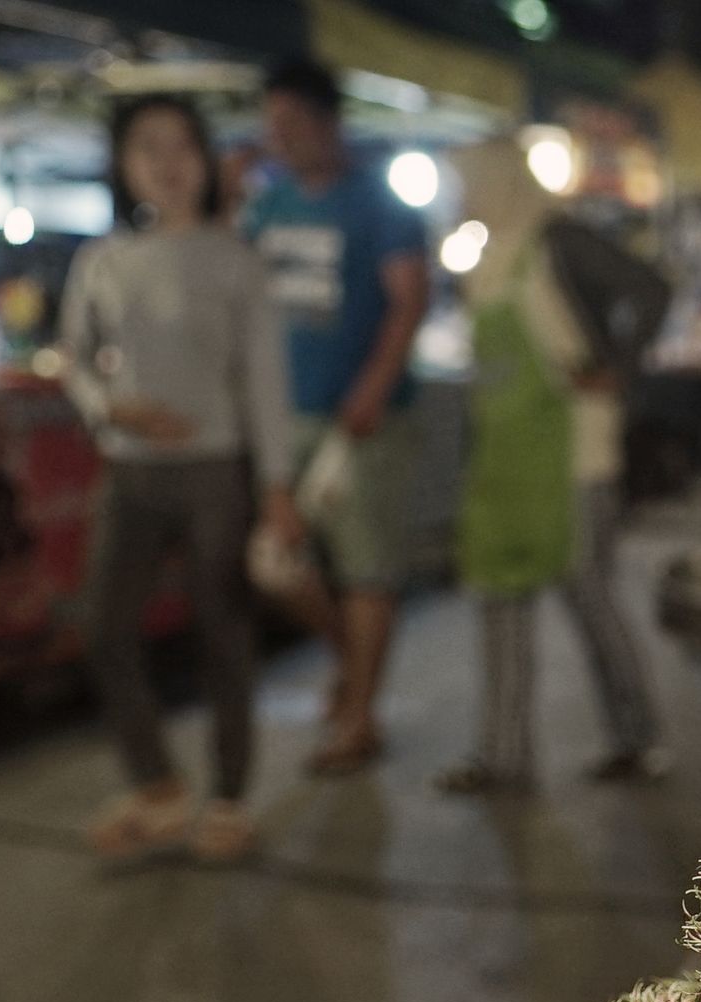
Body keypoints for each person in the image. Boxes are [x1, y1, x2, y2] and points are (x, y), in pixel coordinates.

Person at [58, 96, 301, 860]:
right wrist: (111, 407)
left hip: (214, 470)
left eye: (181, 145)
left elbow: (264, 381)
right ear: (123, 165)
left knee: (223, 635)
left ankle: (228, 795)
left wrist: (278, 489)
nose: (166, 163)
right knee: (104, 628)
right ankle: (157, 786)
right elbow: (72, 359)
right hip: (128, 470)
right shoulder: (102, 261)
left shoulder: (236, 260)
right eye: (147, 147)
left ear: (206, 158)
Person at [435, 139, 662, 792]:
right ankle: (503, 756)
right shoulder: (483, 255)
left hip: (576, 455)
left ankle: (637, 739)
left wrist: (617, 367)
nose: (464, 197)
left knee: (589, 596)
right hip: (504, 461)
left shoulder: (562, 239)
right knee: (499, 599)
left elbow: (651, 289)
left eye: (470, 182)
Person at [243, 57, 435, 775]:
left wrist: (374, 388)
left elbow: (410, 299)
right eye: (273, 125)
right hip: (286, 413)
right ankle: (352, 667)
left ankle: (358, 717)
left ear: (329, 122)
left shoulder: (381, 204)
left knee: (365, 570)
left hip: (366, 421)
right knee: (274, 561)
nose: (281, 138)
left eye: (292, 123)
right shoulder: (267, 204)